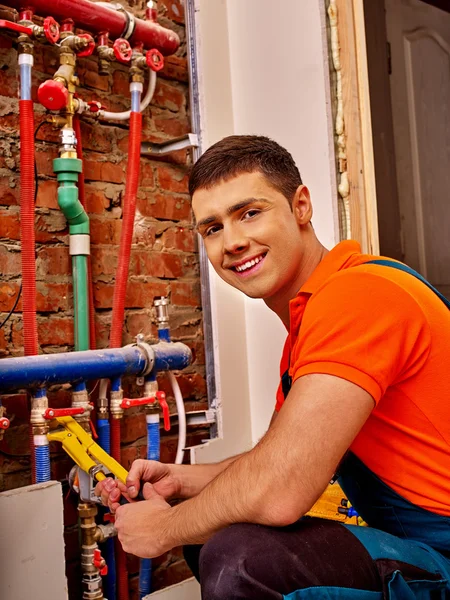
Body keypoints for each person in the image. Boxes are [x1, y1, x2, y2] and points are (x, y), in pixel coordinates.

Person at [96, 135, 450, 599]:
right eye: (213, 229)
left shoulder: (358, 296)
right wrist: (180, 481)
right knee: (216, 533)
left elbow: (280, 487)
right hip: (424, 541)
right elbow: (279, 460)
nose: (234, 242)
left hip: (440, 547)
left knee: (241, 559)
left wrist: (166, 529)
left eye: (250, 213)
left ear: (300, 206)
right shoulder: (311, 323)